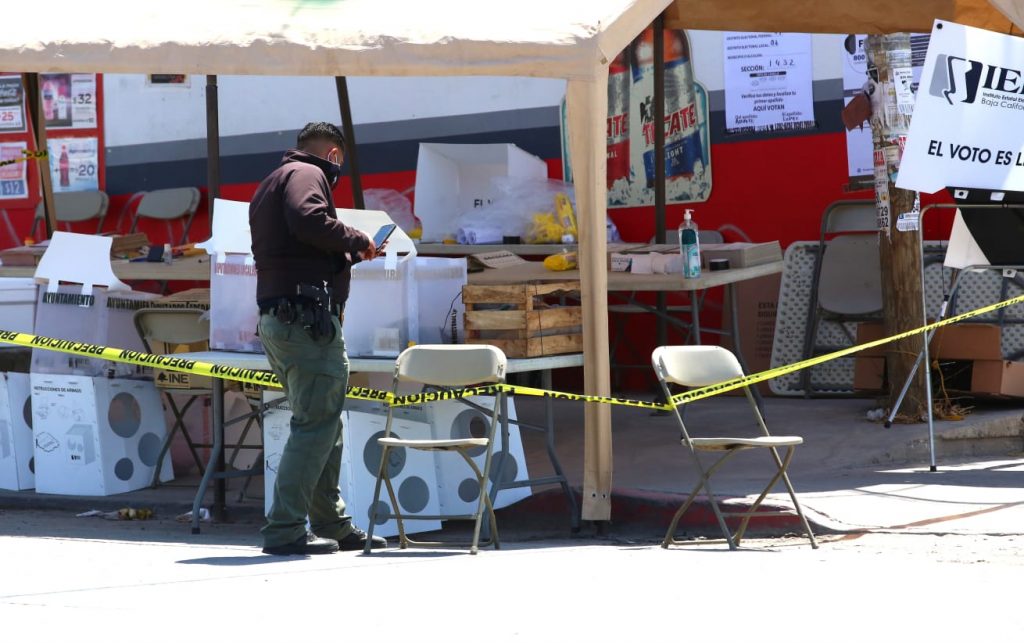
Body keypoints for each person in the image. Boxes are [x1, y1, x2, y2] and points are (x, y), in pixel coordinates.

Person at [250, 122, 387, 555]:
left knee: (325, 425)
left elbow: (299, 245)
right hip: (305, 322)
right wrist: (357, 237)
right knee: (315, 427)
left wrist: (348, 252)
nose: (338, 173)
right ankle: (286, 527)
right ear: (332, 155)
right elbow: (310, 219)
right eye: (339, 165)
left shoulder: (274, 181)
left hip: (287, 321)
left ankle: (332, 522)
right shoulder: (307, 175)